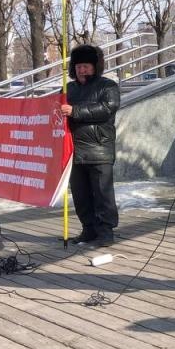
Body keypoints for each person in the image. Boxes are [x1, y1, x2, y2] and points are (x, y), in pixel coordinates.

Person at [60, 44, 120, 247]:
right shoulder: (68, 89)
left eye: (86, 66)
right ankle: (88, 229)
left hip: (99, 148)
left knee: (103, 194)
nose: (82, 70)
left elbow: (107, 108)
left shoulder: (108, 86)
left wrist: (75, 111)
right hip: (74, 151)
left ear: (95, 66)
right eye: (78, 66)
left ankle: (105, 232)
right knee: (81, 195)